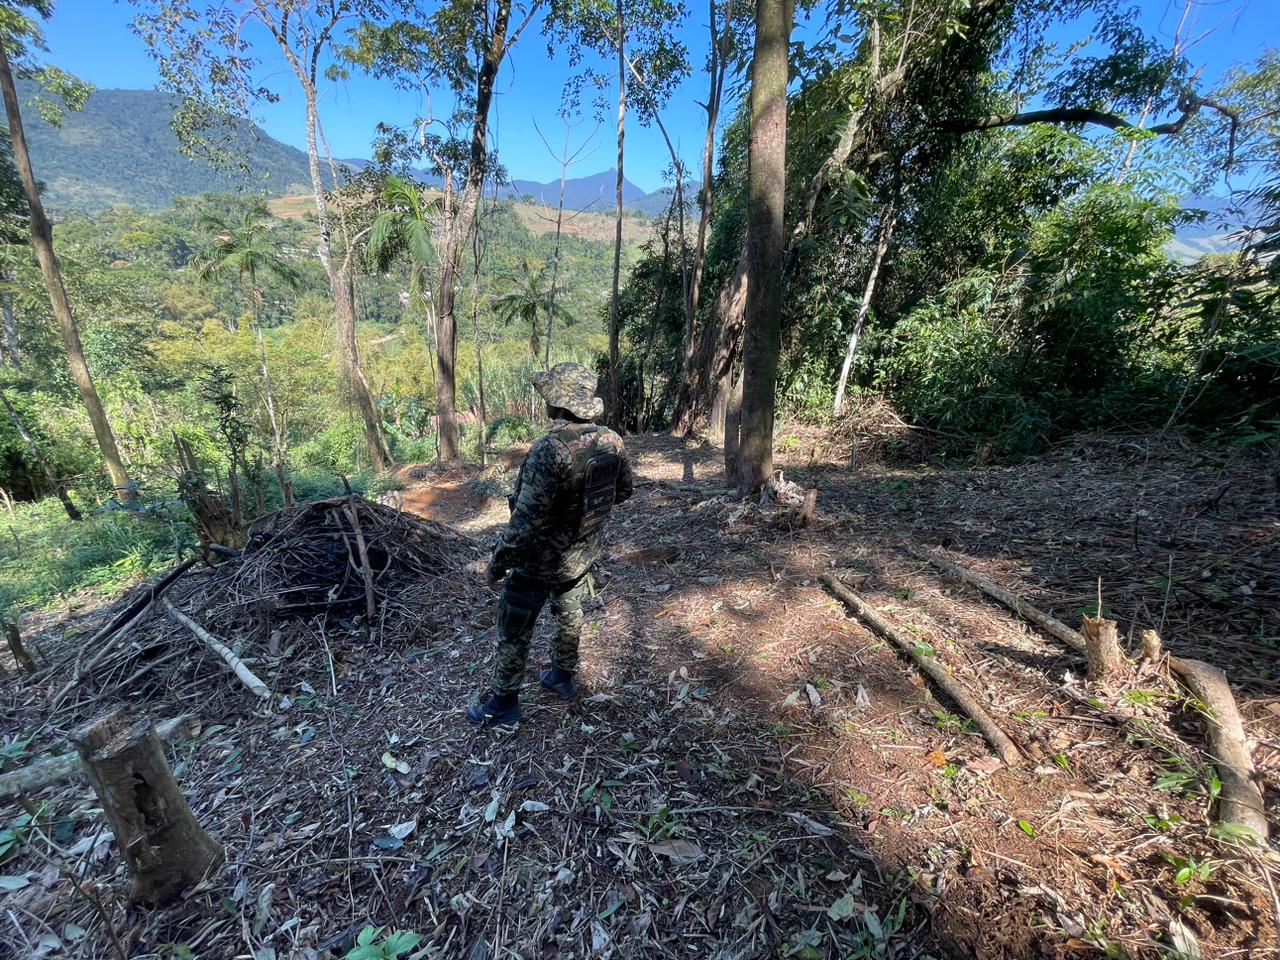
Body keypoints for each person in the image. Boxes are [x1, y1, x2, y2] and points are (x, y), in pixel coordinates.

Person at [467, 362, 634, 725]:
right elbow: (622, 492)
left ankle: (504, 703)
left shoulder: (550, 449)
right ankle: (562, 676)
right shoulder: (611, 440)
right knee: (570, 617)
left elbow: (524, 524)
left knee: (514, 629)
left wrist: (496, 564)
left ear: (557, 403)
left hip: (539, 562)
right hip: (583, 553)